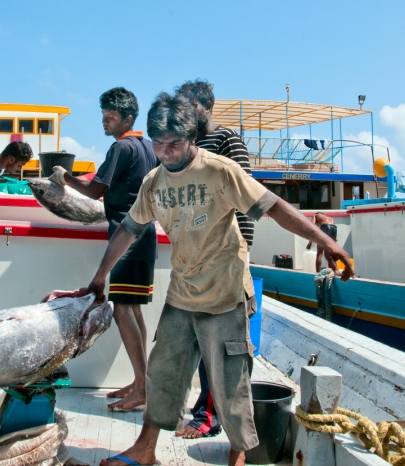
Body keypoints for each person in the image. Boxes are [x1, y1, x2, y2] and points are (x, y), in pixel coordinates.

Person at [86, 92, 354, 466]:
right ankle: (146, 449)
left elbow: (274, 208)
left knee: (231, 384)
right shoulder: (153, 182)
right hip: (183, 294)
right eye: (159, 144)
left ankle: (238, 456)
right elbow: (128, 230)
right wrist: (101, 275)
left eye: (175, 144)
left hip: (226, 293)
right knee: (164, 372)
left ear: (192, 137)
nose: (166, 153)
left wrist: (325, 240)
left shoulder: (221, 171)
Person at [49, 87, 158, 412]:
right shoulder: (148, 148)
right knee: (134, 309)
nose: (104, 122)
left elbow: (95, 190)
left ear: (126, 118)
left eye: (109, 117)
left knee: (123, 309)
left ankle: (141, 388)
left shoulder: (120, 148)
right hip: (146, 236)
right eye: (103, 116)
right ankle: (143, 381)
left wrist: (64, 177)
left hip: (127, 239)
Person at [173, 79, 255, 439]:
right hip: (193, 259)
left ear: (205, 106)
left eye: (188, 107)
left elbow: (246, 197)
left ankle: (209, 416)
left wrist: (241, 253)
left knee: (219, 342)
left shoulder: (226, 141)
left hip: (224, 258)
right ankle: (198, 409)